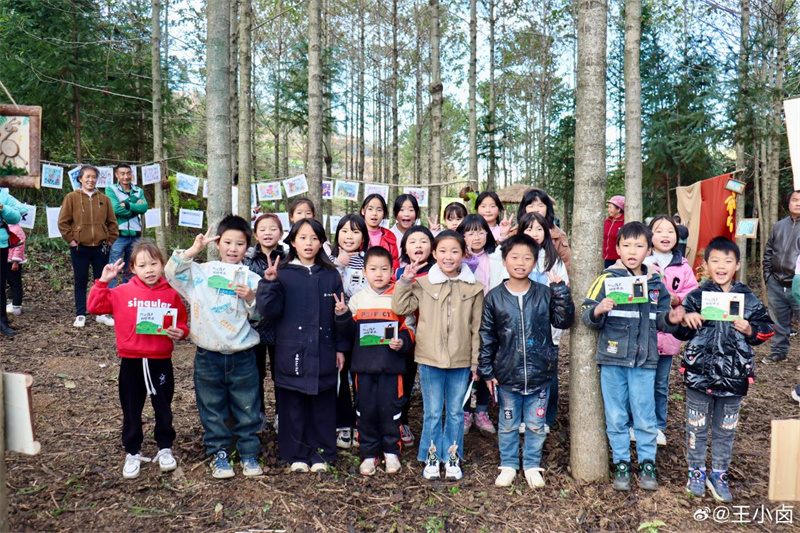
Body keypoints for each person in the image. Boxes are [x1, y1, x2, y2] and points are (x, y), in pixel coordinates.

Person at [581, 222, 683, 492]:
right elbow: (586, 314)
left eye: (639, 246)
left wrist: (672, 319)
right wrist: (598, 310)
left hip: (645, 361)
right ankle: (622, 463)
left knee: (644, 415)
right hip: (613, 360)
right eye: (626, 245)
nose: (632, 251)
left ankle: (648, 463)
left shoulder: (655, 283)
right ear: (617, 248)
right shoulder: (606, 279)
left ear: (648, 250)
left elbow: (662, 320)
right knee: (615, 416)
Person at [673, 237, 774, 502]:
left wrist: (750, 329)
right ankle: (695, 471)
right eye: (715, 260)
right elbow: (679, 330)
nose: (721, 266)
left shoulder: (747, 298)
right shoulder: (697, 296)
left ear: (737, 265)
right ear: (705, 265)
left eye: (728, 261)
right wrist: (687, 319)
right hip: (699, 374)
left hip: (734, 375)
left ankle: (719, 472)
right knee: (696, 426)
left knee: (725, 429)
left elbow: (767, 328)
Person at [164, 215, 264, 479]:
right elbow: (171, 272)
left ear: (247, 247)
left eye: (240, 244)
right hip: (208, 355)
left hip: (242, 356)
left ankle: (248, 453)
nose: (233, 249)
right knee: (211, 406)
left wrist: (251, 298)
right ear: (217, 244)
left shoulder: (251, 278)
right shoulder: (201, 272)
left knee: (247, 406)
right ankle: (219, 453)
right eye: (227, 242)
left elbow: (260, 316)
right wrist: (193, 250)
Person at [87, 240, 189, 479]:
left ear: (162, 265)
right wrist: (103, 281)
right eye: (142, 265)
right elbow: (94, 307)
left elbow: (182, 322)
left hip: (160, 360)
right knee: (132, 407)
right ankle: (132, 451)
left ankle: (165, 447)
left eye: (154, 264)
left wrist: (180, 332)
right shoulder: (122, 292)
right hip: (131, 360)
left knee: (163, 405)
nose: (149, 270)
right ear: (132, 268)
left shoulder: (170, 295)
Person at [478, 234, 574, 488]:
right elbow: (487, 335)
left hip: (540, 373)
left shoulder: (544, 293)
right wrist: (487, 370)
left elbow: (562, 321)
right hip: (507, 375)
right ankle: (508, 464)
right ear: (505, 260)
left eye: (527, 258)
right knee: (508, 424)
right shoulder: (495, 297)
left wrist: (561, 293)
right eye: (514, 257)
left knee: (535, 424)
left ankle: (532, 465)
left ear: (535, 263)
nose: (520, 262)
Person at [257, 218, 348, 473]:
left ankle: (322, 453)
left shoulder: (330, 275)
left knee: (322, 404)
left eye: (315, 238)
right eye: (303, 237)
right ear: (293, 241)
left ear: (321, 243)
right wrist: (269, 283)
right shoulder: (283, 273)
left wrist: (341, 345)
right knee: (293, 404)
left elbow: (338, 315)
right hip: (291, 350)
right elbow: (269, 312)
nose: (309, 243)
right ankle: (295, 453)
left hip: (324, 350)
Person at [392, 230, 485, 481]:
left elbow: (477, 328)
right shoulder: (423, 283)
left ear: (464, 255)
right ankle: (432, 455)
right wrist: (405, 281)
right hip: (429, 358)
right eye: (442, 251)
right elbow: (400, 307)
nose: (448, 256)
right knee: (433, 411)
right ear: (434, 254)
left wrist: (476, 361)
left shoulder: (473, 288)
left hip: (461, 359)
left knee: (455, 411)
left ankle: (452, 456)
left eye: (455, 251)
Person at [335, 246, 416, 475]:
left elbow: (409, 326)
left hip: (392, 369)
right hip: (364, 368)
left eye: (384, 269)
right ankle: (369, 453)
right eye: (373, 269)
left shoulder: (397, 299)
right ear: (365, 271)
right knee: (366, 410)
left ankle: (392, 452)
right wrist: (342, 315)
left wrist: (402, 341)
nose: (378, 274)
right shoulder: (359, 299)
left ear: (392, 271)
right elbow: (348, 333)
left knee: (391, 411)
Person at [643, 215, 698, 446]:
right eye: (659, 230)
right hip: (644, 334)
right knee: (641, 381)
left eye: (670, 231)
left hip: (668, 337)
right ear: (649, 235)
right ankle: (637, 424)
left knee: (660, 384)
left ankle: (657, 426)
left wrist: (677, 299)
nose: (665, 235)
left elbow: (693, 293)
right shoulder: (642, 262)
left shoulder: (683, 266)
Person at [519, 212, 569, 433]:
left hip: (547, 329)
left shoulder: (553, 259)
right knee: (521, 371)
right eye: (529, 229)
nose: (534, 233)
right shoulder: (514, 256)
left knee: (549, 374)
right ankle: (523, 417)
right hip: (520, 326)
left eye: (539, 229)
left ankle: (546, 418)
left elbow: (563, 293)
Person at [456, 214, 503, 435]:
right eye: (470, 232)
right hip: (463, 320)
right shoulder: (456, 259)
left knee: (486, 362)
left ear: (488, 234)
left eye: (481, 231)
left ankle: (482, 410)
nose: (476, 237)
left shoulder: (496, 257)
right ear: (462, 236)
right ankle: (465, 410)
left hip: (490, 318)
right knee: (465, 364)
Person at [58, 165, 119, 328]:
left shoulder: (104, 199)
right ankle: (80, 313)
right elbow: (63, 222)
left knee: (102, 280)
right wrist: (71, 240)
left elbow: (112, 222)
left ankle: (102, 313)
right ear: (80, 179)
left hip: (101, 247)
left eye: (94, 177)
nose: (91, 180)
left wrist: (110, 240)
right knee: (80, 280)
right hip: (80, 247)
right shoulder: (71, 197)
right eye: (88, 177)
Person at [330, 214, 369, 449]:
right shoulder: (328, 259)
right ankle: (343, 423)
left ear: (363, 236)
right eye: (344, 231)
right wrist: (338, 264)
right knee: (340, 375)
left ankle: (362, 421)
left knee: (361, 376)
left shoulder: (369, 259)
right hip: (335, 328)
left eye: (355, 231)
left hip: (362, 328)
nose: (349, 236)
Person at [244, 213, 286, 431]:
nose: (268, 233)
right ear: (256, 234)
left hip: (281, 327)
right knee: (255, 373)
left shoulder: (287, 257)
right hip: (254, 325)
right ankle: (258, 414)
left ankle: (282, 413)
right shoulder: (247, 259)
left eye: (273, 229)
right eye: (263, 229)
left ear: (280, 232)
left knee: (281, 373)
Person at [395, 225, 436, 446]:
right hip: (409, 337)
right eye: (412, 242)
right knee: (406, 380)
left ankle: (435, 425)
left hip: (432, 338)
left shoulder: (438, 271)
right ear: (404, 248)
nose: (418, 245)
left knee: (433, 384)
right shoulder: (400, 273)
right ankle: (402, 420)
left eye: (423, 241)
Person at [762, 190, 800, 364]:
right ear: (789, 203)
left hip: (797, 283)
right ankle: (779, 352)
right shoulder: (779, 225)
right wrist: (768, 275)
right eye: (794, 200)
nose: (798, 203)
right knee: (778, 320)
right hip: (776, 281)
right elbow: (769, 251)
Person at [106, 164, 148, 287]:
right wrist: (136, 207)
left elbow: (144, 207)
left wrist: (127, 205)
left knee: (132, 268)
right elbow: (116, 209)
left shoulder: (138, 190)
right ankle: (111, 297)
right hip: (118, 234)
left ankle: (129, 295)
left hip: (136, 235)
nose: (126, 176)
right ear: (117, 175)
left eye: (128, 173)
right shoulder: (111, 189)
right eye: (122, 173)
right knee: (114, 266)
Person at [516, 188, 571, 271]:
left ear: (547, 208)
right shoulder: (514, 232)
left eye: (541, 206)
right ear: (524, 209)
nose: (536, 209)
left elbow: (567, 264)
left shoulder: (558, 235)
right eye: (531, 206)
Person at [0, 188, 26, 336]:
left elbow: (16, 216)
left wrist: (3, 208)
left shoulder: (3, 194)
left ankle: (2, 320)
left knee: (0, 285)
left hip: (1, 245)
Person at [360, 194, 400, 270]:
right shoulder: (356, 234)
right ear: (363, 211)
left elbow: (394, 264)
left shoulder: (390, 236)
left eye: (379, 210)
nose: (374, 213)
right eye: (370, 209)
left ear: (384, 213)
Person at [5, 223, 25, 317]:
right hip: (6, 259)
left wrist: (16, 261)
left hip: (12, 261)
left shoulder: (17, 229)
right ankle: (13, 302)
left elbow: (19, 247)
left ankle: (16, 305)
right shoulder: (6, 227)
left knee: (15, 283)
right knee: (10, 281)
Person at [603, 196, 625, 268]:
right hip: (606, 258)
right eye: (608, 207)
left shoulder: (624, 222)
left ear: (618, 209)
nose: (608, 210)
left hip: (619, 259)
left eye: (610, 207)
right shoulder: (607, 221)